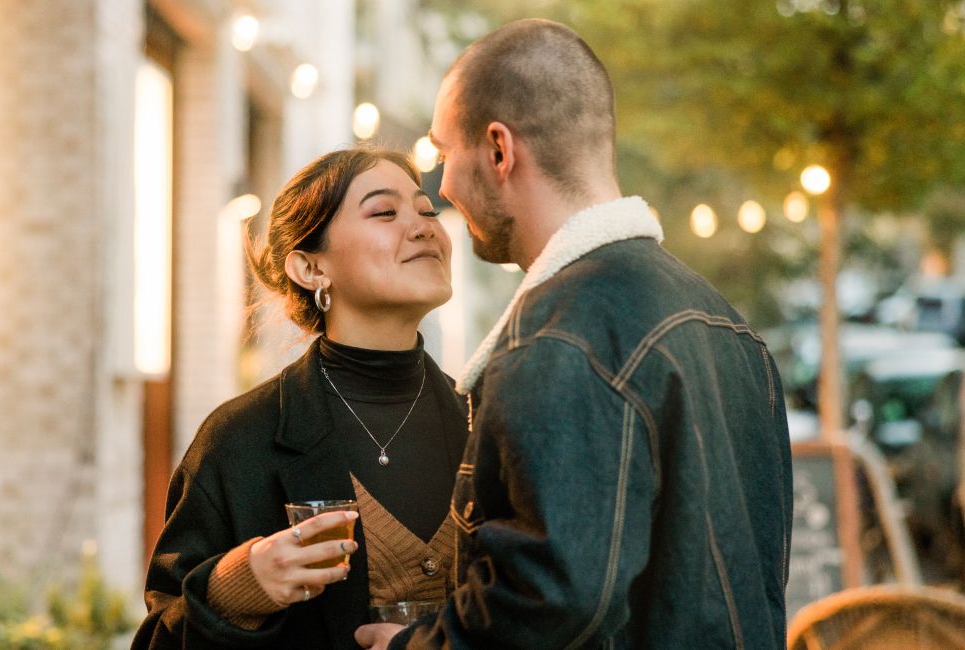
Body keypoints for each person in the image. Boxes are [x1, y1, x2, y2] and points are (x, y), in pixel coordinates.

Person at [355, 18, 793, 650]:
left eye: (444, 153)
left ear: (499, 150)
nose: (441, 186)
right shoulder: (729, 326)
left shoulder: (557, 337)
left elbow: (553, 598)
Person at [132, 147, 469, 649]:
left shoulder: (486, 422)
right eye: (384, 212)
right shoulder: (239, 439)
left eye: (425, 210)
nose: (424, 228)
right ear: (311, 270)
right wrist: (236, 590)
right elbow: (159, 639)